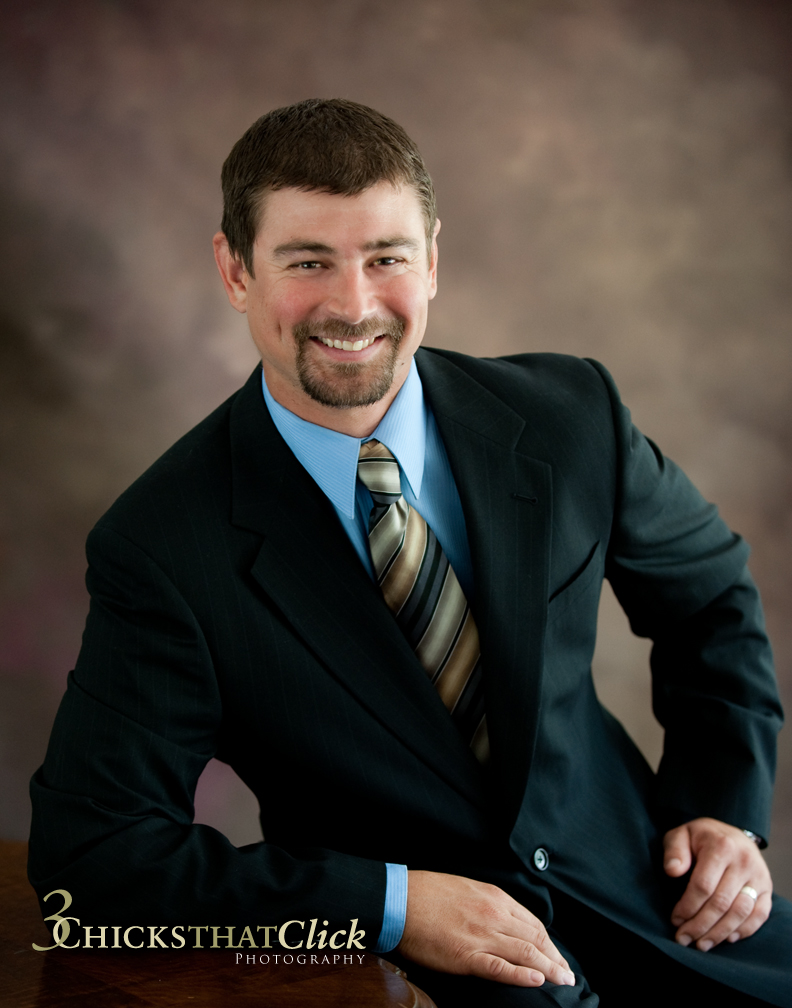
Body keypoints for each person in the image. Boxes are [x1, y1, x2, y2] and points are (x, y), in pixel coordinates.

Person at [29, 99, 791, 1007]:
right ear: (235, 271)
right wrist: (389, 906)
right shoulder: (163, 546)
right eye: (307, 262)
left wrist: (720, 806)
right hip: (419, 975)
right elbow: (95, 859)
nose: (353, 306)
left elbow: (710, 599)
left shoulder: (570, 415)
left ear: (431, 260)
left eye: (386, 258)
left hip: (663, 901)